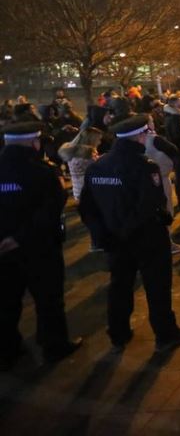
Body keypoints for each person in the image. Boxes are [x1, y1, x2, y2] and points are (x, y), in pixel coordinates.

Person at [79, 115, 180, 352]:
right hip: (146, 238)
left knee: (119, 286)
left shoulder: (98, 166)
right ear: (141, 136)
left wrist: (104, 234)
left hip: (114, 240)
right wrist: (129, 229)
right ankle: (165, 333)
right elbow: (150, 204)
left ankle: (118, 333)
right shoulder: (144, 166)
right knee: (157, 287)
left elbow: (87, 207)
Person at [0, 122, 82, 370]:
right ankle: (54, 345)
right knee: (48, 298)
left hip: (3, 250)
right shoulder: (43, 172)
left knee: (6, 300)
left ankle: (7, 350)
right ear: (32, 142)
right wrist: (20, 238)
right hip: (39, 247)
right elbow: (49, 211)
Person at [59, 127, 105, 251]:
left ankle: (95, 242)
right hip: (91, 189)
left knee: (89, 217)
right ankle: (97, 243)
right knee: (96, 218)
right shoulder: (88, 154)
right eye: (98, 139)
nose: (99, 142)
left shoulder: (71, 151)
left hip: (78, 190)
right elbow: (97, 168)